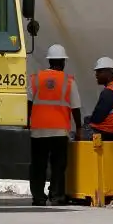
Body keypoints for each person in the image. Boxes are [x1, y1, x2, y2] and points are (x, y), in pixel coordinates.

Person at [28, 43, 83, 206]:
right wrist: (79, 128)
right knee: (58, 165)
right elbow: (76, 107)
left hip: (38, 130)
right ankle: (56, 195)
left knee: (38, 164)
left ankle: (38, 197)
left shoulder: (35, 78)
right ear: (63, 62)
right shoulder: (69, 81)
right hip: (59, 131)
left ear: (49, 61)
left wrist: (26, 123)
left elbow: (28, 103)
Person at [86, 56, 113, 140]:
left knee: (80, 132)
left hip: (108, 131)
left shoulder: (109, 91)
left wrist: (89, 121)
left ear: (108, 72)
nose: (96, 75)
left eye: (99, 71)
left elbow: (97, 118)